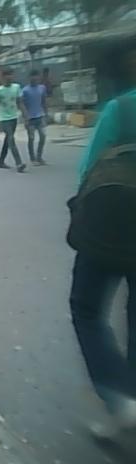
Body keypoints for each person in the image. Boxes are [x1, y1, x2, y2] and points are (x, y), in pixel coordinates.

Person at [68, 49, 136, 440]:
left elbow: (88, 171)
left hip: (112, 228)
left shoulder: (121, 110)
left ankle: (119, 396)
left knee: (87, 308)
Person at [0, 69, 27, 172]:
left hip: (14, 117)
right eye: (6, 76)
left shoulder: (16, 87)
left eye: (10, 75)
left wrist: (25, 116)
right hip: (4, 118)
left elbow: (20, 102)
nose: (9, 77)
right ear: (2, 78)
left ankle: (1, 161)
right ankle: (19, 163)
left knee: (8, 140)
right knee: (11, 139)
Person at [22, 70, 48, 166]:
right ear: (29, 78)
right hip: (30, 118)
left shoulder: (42, 88)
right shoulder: (25, 90)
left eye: (36, 76)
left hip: (40, 116)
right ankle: (32, 158)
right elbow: (22, 105)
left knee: (43, 136)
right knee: (31, 138)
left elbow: (44, 101)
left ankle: (39, 156)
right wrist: (25, 118)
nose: (34, 78)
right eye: (32, 76)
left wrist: (46, 114)